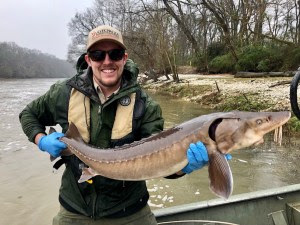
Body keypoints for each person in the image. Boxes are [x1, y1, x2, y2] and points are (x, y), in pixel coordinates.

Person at [19, 25, 221, 225]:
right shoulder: (63, 92)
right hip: (75, 208)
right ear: (88, 60)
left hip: (130, 211)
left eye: (114, 54)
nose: (107, 61)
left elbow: (160, 165)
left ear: (124, 57)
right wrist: (41, 139)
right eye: (98, 55)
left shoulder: (146, 105)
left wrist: (184, 166)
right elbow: (28, 114)